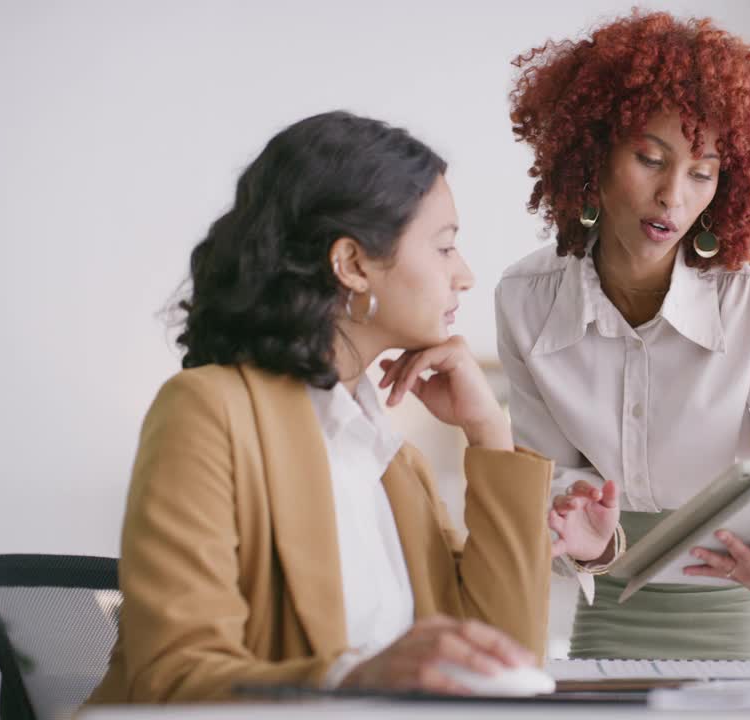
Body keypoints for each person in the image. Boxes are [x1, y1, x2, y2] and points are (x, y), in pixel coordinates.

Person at [87, 111, 553, 703]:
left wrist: (488, 430)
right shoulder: (207, 412)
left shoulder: (392, 463)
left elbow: (503, 664)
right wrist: (355, 678)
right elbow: (175, 675)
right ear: (354, 264)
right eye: (445, 247)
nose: (464, 275)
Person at [498, 12, 750, 665]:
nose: (672, 197)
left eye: (703, 172)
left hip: (745, 609)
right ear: (591, 154)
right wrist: (582, 536)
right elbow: (553, 481)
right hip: (612, 612)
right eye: (650, 158)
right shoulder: (525, 301)